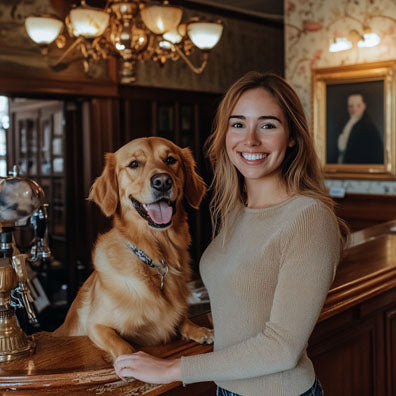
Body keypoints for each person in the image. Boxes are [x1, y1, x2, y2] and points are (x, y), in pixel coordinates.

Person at [114, 71, 347, 396]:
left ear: (292, 136)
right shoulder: (235, 207)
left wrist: (172, 368)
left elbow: (282, 348)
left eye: (268, 125)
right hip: (227, 390)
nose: (250, 140)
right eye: (238, 124)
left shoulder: (309, 217)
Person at [337, 93, 383, 164]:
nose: (354, 109)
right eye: (351, 106)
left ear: (364, 106)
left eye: (358, 106)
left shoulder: (368, 127)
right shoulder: (347, 123)